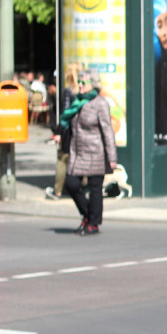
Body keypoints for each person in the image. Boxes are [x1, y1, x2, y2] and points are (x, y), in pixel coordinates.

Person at [62, 70, 118, 236]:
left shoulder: (100, 103)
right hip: (77, 152)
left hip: (96, 153)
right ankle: (87, 214)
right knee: (71, 183)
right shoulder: (77, 102)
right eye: (79, 82)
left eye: (83, 83)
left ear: (93, 85)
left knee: (95, 189)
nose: (79, 85)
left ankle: (93, 223)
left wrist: (112, 157)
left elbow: (108, 131)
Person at [46, 65, 82, 200]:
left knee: (62, 159)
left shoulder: (68, 91)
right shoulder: (82, 91)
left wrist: (59, 132)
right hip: (81, 131)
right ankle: (81, 188)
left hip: (68, 131)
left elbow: (66, 113)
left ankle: (58, 191)